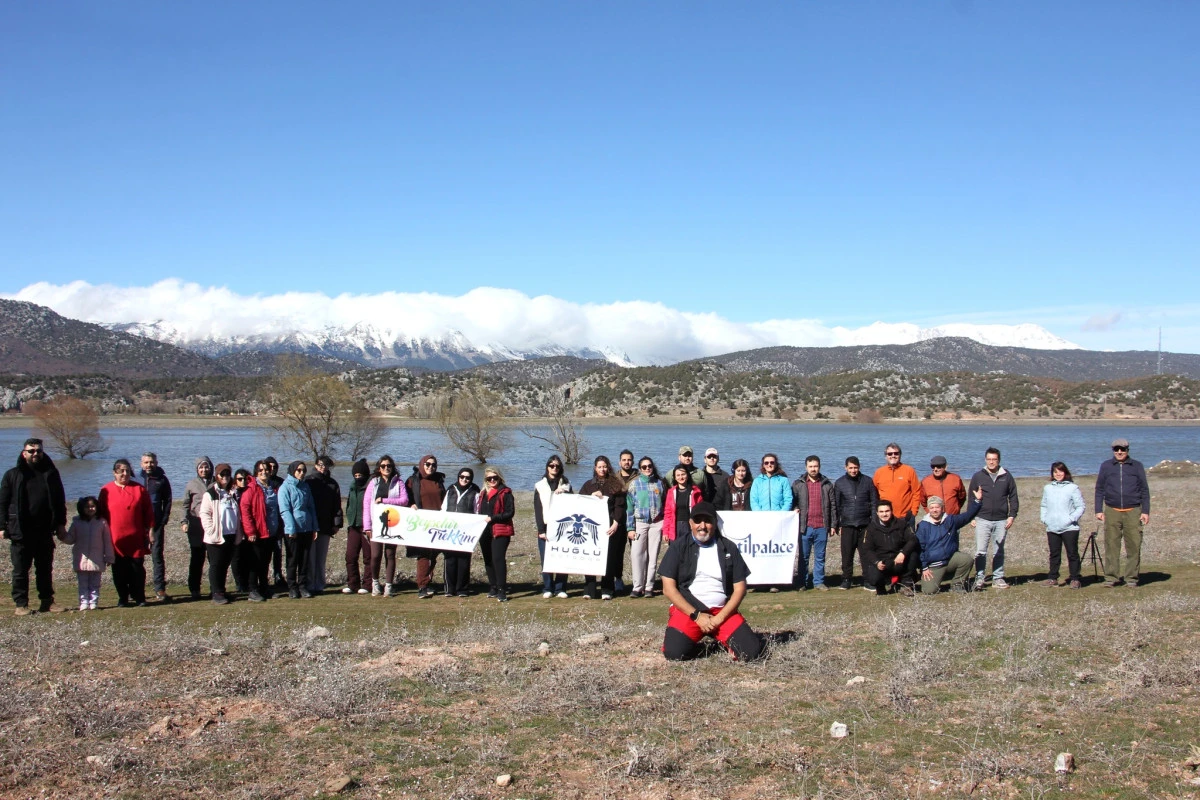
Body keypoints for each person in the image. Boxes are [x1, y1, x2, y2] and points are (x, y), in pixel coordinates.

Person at [659, 501, 766, 662]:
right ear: (690, 523)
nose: (702, 526)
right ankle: (696, 636)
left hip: (721, 611)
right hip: (689, 611)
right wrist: (697, 616)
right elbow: (668, 589)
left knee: (752, 653)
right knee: (674, 653)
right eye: (697, 521)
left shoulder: (728, 548)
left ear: (715, 523)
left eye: (708, 521)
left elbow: (740, 589)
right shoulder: (678, 547)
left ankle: (721, 636)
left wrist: (719, 619)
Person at [0, 438, 67, 615]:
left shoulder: (51, 473)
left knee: (45, 569)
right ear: (24, 453)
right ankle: (21, 604)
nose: (35, 453)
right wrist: (2, 526)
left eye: (38, 450)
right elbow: (3, 502)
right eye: (31, 451)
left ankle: (47, 601)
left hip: (44, 530)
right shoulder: (13, 475)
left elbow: (60, 500)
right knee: (20, 570)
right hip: (20, 531)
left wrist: (60, 524)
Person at [99, 458, 154, 607]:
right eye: (121, 471)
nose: (124, 474)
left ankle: (139, 597)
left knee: (137, 568)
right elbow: (101, 514)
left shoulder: (139, 489)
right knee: (119, 569)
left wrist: (150, 530)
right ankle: (123, 597)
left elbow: (148, 512)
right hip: (115, 537)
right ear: (114, 473)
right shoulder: (106, 490)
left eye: (127, 471)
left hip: (136, 536)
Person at [1095, 438, 1150, 588]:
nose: (1119, 452)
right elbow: (1099, 488)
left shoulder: (1137, 466)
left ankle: (1131, 578)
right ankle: (1111, 577)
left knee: (1134, 545)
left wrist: (1145, 511)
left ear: (1127, 450)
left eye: (1122, 449)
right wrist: (1098, 509)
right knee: (1111, 545)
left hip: (1133, 511)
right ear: (1113, 450)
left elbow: (1144, 490)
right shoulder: (1106, 466)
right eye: (1116, 449)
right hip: (1112, 510)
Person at [968, 448, 1020, 591]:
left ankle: (998, 577)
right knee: (980, 551)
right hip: (982, 518)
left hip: (1001, 520)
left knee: (999, 550)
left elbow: (1013, 497)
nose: (991, 462)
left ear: (999, 461)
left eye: (994, 459)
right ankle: (979, 578)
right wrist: (971, 516)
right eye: (989, 459)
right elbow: (972, 497)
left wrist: (1012, 515)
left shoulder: (1006, 476)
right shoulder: (978, 476)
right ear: (985, 460)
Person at [915, 489, 983, 594]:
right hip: (934, 564)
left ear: (942, 508)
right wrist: (924, 567)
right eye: (932, 508)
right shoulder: (923, 526)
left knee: (966, 560)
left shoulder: (951, 520)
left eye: (937, 507)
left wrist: (977, 501)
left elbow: (968, 516)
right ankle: (937, 577)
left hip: (950, 559)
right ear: (928, 509)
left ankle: (957, 585)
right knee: (929, 591)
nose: (934, 510)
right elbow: (920, 548)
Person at [362, 455, 408, 596]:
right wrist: (367, 526)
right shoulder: (373, 483)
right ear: (379, 468)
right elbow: (366, 504)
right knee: (375, 555)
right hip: (376, 525)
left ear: (392, 467)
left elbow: (404, 500)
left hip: (393, 524)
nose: (386, 468)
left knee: (390, 554)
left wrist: (384, 500)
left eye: (389, 466)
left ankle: (389, 585)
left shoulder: (398, 482)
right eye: (383, 466)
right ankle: (375, 583)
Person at [580, 455, 624, 600]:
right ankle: (589, 590)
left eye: (604, 466)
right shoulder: (588, 485)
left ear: (608, 467)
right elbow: (579, 503)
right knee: (590, 557)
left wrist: (616, 522)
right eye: (599, 467)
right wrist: (591, 497)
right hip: (591, 528)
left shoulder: (615, 484)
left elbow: (620, 505)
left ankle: (607, 589)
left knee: (609, 559)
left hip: (609, 527)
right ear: (595, 468)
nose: (602, 469)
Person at [792, 455, 838, 591]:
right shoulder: (798, 484)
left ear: (819, 467)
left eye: (816, 466)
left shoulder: (827, 484)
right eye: (811, 466)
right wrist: (795, 509)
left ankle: (819, 582)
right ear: (806, 467)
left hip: (822, 526)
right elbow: (792, 502)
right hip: (805, 527)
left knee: (820, 556)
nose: (813, 469)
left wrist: (833, 525)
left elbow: (833, 505)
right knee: (803, 557)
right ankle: (802, 582)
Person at [60, 496, 113, 611]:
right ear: (81, 509)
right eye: (87, 507)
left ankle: (93, 602)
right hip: (81, 559)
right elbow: (71, 539)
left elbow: (107, 541)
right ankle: (83, 602)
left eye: (92, 506)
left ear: (97, 507)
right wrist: (63, 536)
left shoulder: (102, 522)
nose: (90, 509)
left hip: (97, 558)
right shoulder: (76, 523)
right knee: (83, 583)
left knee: (95, 583)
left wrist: (109, 556)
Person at [833, 456, 878, 591]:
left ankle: (868, 580)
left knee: (865, 554)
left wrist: (874, 523)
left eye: (855, 468)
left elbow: (874, 503)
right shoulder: (840, 483)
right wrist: (836, 525)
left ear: (859, 467)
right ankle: (847, 579)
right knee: (847, 554)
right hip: (847, 524)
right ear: (845, 467)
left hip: (865, 524)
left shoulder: (868, 481)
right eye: (851, 468)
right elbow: (836, 505)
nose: (853, 470)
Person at [200, 463, 242, 605]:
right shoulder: (210, 493)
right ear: (217, 476)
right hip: (216, 536)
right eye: (222, 474)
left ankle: (221, 590)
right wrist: (211, 530)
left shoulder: (232, 493)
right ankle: (216, 592)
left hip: (230, 534)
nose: (225, 477)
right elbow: (204, 513)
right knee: (216, 564)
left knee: (225, 564)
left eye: (227, 474)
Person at [407, 454, 447, 599]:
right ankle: (422, 585)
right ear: (422, 464)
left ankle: (428, 581)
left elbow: (444, 499)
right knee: (423, 554)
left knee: (434, 554)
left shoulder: (439, 480)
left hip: (438, 522)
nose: (431, 467)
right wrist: (410, 505)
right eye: (428, 464)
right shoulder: (413, 481)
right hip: (421, 523)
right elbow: (407, 498)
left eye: (434, 465)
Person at [1041, 462, 1086, 589]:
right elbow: (1044, 505)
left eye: (1060, 471)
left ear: (1065, 472)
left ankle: (1075, 578)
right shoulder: (1048, 488)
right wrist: (1045, 519)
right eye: (1055, 472)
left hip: (1069, 527)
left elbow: (1081, 506)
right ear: (1052, 474)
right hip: (1052, 527)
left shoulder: (1072, 488)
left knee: (1072, 553)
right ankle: (1052, 578)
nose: (1058, 474)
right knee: (1054, 554)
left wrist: (1071, 519)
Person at [626, 456, 665, 599]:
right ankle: (637, 587)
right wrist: (630, 528)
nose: (647, 468)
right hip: (640, 523)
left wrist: (664, 524)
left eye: (649, 466)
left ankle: (649, 586)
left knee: (653, 556)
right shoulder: (634, 484)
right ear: (640, 469)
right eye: (644, 467)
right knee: (637, 555)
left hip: (656, 523)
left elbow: (665, 504)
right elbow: (629, 508)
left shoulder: (660, 484)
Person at [278, 460, 318, 599]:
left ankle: (303, 585)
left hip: (306, 528)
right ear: (292, 471)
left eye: (303, 471)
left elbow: (311, 507)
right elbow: (284, 510)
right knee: (292, 559)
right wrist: (291, 529)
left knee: (304, 559)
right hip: (293, 530)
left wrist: (314, 527)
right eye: (299, 470)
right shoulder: (285, 487)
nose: (301, 473)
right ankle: (292, 587)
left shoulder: (305, 487)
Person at [533, 456, 572, 598]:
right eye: (551, 465)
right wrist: (541, 530)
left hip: (563, 527)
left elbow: (574, 504)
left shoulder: (566, 484)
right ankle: (548, 587)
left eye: (557, 465)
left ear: (560, 467)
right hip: (546, 526)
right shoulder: (540, 485)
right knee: (546, 558)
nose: (554, 468)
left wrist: (565, 493)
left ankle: (560, 588)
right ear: (547, 467)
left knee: (562, 556)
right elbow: (537, 508)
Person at [862, 500, 917, 596]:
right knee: (873, 576)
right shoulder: (871, 529)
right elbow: (867, 549)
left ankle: (906, 585)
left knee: (913, 554)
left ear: (891, 511)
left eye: (887, 511)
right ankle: (880, 586)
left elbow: (912, 540)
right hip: (882, 562)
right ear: (877, 513)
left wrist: (903, 553)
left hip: (898, 560)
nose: (884, 514)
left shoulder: (901, 524)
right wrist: (876, 562)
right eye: (881, 512)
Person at [306, 455, 343, 595]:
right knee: (310, 557)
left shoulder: (333, 484)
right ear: (315, 465)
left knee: (321, 558)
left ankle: (319, 585)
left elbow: (337, 506)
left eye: (326, 465)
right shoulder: (308, 481)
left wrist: (337, 524)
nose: (323, 468)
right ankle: (309, 585)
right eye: (320, 465)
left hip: (326, 526)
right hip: (310, 526)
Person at [441, 467, 481, 597]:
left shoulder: (475, 492)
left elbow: (477, 511)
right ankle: (449, 588)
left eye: (467, 477)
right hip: (450, 529)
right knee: (450, 559)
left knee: (463, 560)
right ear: (458, 477)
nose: (464, 479)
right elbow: (443, 509)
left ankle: (462, 589)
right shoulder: (451, 489)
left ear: (471, 479)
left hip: (466, 532)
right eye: (462, 477)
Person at [477, 467, 515, 602]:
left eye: (495, 477)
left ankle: (502, 589)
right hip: (484, 531)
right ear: (485, 480)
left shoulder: (506, 492)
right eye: (489, 478)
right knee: (488, 559)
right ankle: (493, 586)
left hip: (500, 530)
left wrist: (493, 518)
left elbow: (510, 513)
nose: (492, 480)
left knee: (498, 559)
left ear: (499, 478)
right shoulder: (482, 494)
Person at [139, 452, 173, 602]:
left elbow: (168, 500)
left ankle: (159, 589)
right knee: (137, 558)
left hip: (157, 524)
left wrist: (164, 519)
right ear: (141, 464)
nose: (149, 465)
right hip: (138, 524)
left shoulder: (162, 480)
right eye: (146, 462)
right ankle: (137, 590)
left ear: (156, 462)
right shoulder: (135, 479)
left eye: (151, 462)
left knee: (157, 557)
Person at [237, 464, 273, 601]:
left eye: (266, 470)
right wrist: (250, 531)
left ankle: (264, 587)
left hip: (270, 531)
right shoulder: (251, 489)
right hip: (256, 532)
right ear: (256, 473)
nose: (264, 472)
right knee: (254, 562)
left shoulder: (271, 487)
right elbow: (245, 511)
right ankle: (253, 589)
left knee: (265, 561)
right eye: (261, 470)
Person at [180, 457, 214, 600]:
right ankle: (194, 589)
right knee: (197, 558)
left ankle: (215, 588)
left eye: (206, 467)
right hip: (196, 524)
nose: (204, 470)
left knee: (213, 558)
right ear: (197, 469)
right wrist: (184, 521)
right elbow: (185, 505)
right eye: (201, 467)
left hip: (212, 524)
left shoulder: (215, 483)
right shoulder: (191, 484)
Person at [873, 443, 921, 531]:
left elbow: (916, 492)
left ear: (900, 455)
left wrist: (914, 512)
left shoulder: (909, 470)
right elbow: (874, 495)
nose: (893, 456)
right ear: (886, 456)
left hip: (905, 517)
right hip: (885, 517)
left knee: (908, 543)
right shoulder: (879, 472)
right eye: (890, 454)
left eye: (896, 453)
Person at [342, 459, 371, 595]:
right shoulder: (352, 486)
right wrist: (349, 517)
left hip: (366, 527)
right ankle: (352, 583)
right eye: (356, 475)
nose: (358, 478)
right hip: (353, 526)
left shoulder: (371, 487)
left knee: (368, 557)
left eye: (361, 475)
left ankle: (367, 584)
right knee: (350, 556)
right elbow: (349, 504)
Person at [610, 450, 637, 594]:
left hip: (636, 521)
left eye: (629, 460)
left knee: (637, 552)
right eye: (624, 460)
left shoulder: (639, 477)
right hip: (618, 520)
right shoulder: (613, 479)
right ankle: (618, 578)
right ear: (620, 462)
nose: (627, 462)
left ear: (633, 461)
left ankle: (638, 581)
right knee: (617, 551)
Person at [663, 464, 702, 546]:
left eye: (683, 474)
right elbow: (668, 513)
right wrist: (666, 532)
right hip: (675, 526)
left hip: (690, 525)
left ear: (687, 475)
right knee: (676, 552)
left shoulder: (695, 492)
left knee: (689, 550)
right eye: (678, 475)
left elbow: (700, 512)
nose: (681, 477)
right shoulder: (671, 492)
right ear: (675, 477)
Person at [263, 457, 286, 589]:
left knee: (278, 552)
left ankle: (278, 576)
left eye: (274, 467)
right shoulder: (262, 483)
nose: (271, 470)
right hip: (265, 524)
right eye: (269, 467)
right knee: (265, 554)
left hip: (278, 523)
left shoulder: (281, 483)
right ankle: (263, 578)